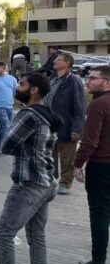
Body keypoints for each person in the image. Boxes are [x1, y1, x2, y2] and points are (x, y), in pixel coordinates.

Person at [0, 72, 59, 264]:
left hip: (28, 184)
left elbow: (5, 145)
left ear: (33, 90)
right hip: (47, 182)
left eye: (22, 84)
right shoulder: (48, 114)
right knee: (36, 235)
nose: (17, 87)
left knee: (3, 233)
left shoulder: (28, 115)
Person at [73, 65, 110, 264]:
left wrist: (78, 164)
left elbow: (89, 141)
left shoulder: (98, 104)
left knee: (99, 212)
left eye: (93, 78)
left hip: (102, 166)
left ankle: (98, 262)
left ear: (107, 82)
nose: (88, 81)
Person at [43, 53, 86, 195]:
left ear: (67, 63)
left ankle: (66, 183)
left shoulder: (73, 81)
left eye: (58, 60)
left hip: (67, 127)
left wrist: (77, 129)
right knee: (50, 155)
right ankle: (52, 180)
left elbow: (79, 107)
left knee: (67, 158)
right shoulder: (53, 78)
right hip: (50, 125)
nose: (54, 62)